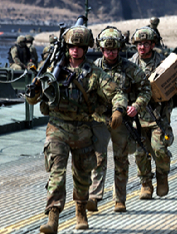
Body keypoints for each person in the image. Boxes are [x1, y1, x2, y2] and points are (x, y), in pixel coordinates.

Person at [25, 25, 127, 232]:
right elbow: (33, 99)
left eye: (80, 46)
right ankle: (53, 218)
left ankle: (81, 212)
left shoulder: (95, 74)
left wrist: (118, 110)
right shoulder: (53, 71)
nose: (75, 50)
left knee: (82, 175)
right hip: (57, 128)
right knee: (56, 172)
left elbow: (117, 93)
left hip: (82, 129)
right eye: (72, 46)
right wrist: (33, 91)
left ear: (86, 48)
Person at [87, 26, 152, 213]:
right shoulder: (94, 68)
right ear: (101, 49)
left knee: (121, 159)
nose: (111, 53)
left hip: (122, 120)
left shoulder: (130, 68)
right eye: (107, 50)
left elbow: (145, 88)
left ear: (119, 49)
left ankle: (119, 200)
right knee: (98, 158)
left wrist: (137, 106)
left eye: (114, 49)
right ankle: (94, 196)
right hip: (99, 119)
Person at [130, 27, 174, 198]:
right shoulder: (130, 64)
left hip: (158, 116)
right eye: (139, 44)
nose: (142, 47)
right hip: (137, 117)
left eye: (146, 44)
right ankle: (146, 184)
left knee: (159, 150)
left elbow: (174, 87)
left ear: (153, 44)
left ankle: (162, 177)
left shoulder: (164, 64)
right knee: (140, 153)